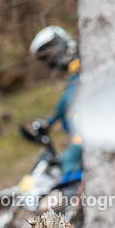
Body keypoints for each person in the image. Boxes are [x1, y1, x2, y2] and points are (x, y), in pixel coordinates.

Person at [30, 25, 83, 179]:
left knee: (69, 162)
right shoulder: (75, 67)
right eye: (45, 57)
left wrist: (50, 122)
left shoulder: (78, 64)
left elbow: (69, 97)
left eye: (51, 53)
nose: (51, 60)